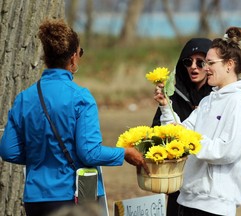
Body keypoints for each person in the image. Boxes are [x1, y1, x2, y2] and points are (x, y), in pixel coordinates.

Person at [0, 18, 149, 216]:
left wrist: (42, 158)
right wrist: (125, 154)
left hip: (35, 199)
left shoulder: (23, 98)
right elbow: (89, 153)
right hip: (72, 198)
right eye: (80, 53)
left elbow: (8, 150)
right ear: (73, 58)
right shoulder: (81, 97)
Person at [154, 26, 241, 216]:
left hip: (215, 205)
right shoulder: (208, 101)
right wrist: (166, 107)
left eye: (209, 62)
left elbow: (227, 151)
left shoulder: (238, 101)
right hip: (187, 199)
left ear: (229, 64)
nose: (205, 68)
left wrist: (191, 140)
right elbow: (179, 134)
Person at [151, 38, 212, 216]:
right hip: (177, 179)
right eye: (188, 61)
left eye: (200, 62)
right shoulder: (173, 96)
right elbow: (157, 132)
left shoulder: (217, 98)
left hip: (207, 183)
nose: (194, 67)